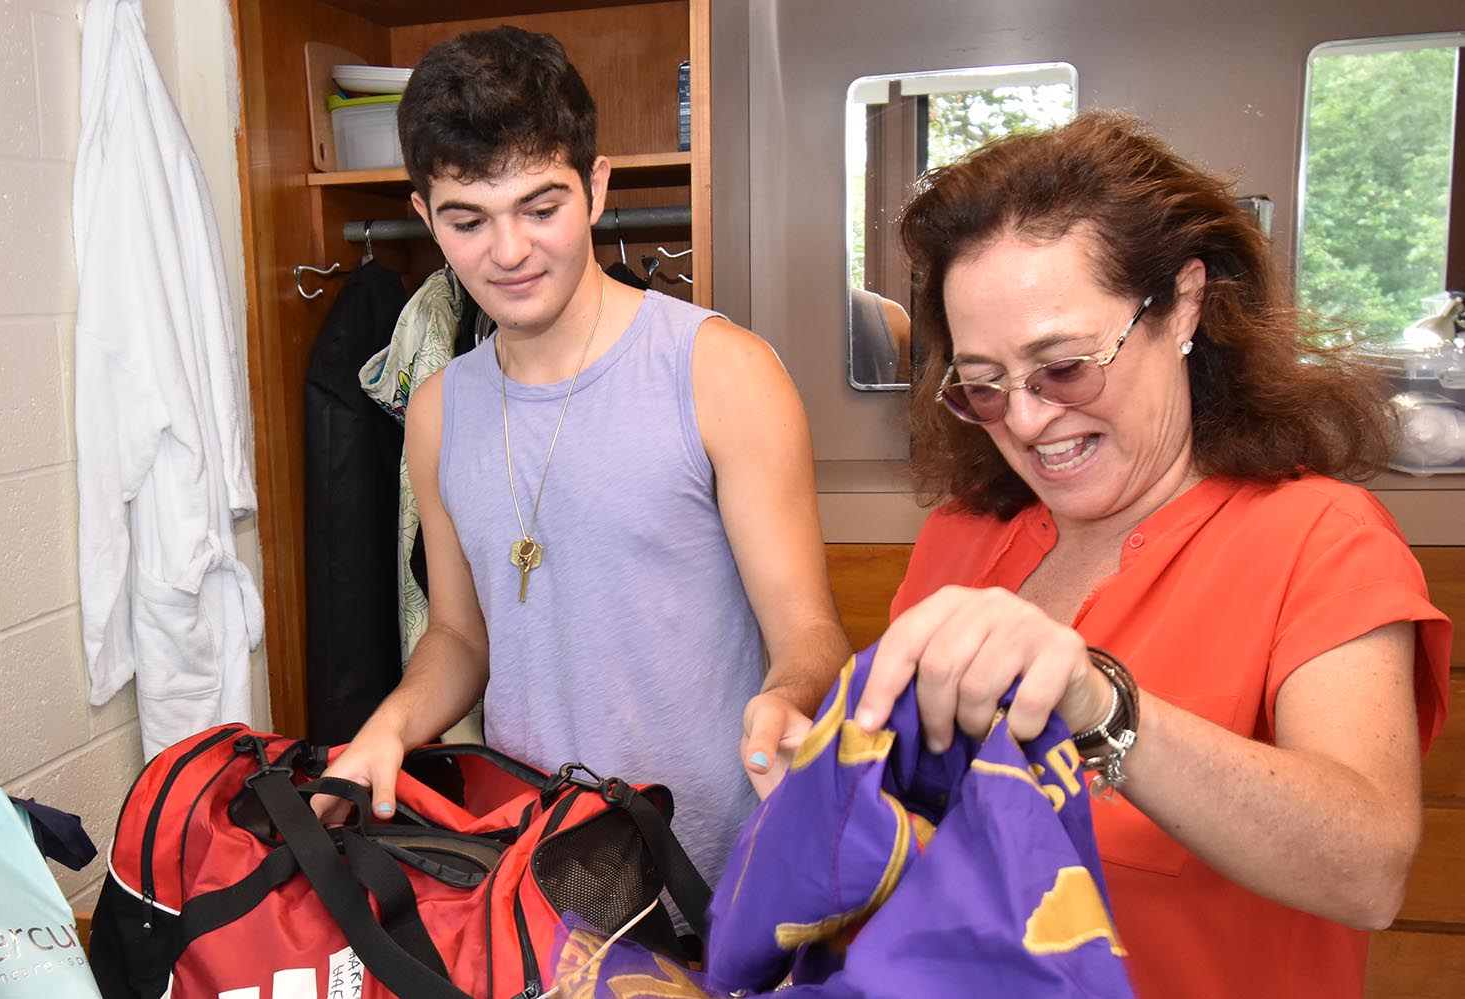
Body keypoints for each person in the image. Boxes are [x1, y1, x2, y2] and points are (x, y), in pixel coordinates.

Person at [850, 110, 1452, 999]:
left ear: (1183, 304)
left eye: (1064, 365)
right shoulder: (961, 540)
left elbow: (1366, 869)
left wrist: (1104, 704)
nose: (1024, 419)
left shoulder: (1322, 540)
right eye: (983, 383)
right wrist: (832, 762)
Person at [317, 25, 851, 889]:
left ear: (597, 187)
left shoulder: (721, 371)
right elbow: (459, 635)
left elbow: (810, 630)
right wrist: (385, 728)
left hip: (722, 873)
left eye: (540, 206)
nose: (511, 251)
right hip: (543, 879)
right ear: (425, 217)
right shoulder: (437, 409)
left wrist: (787, 699)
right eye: (469, 220)